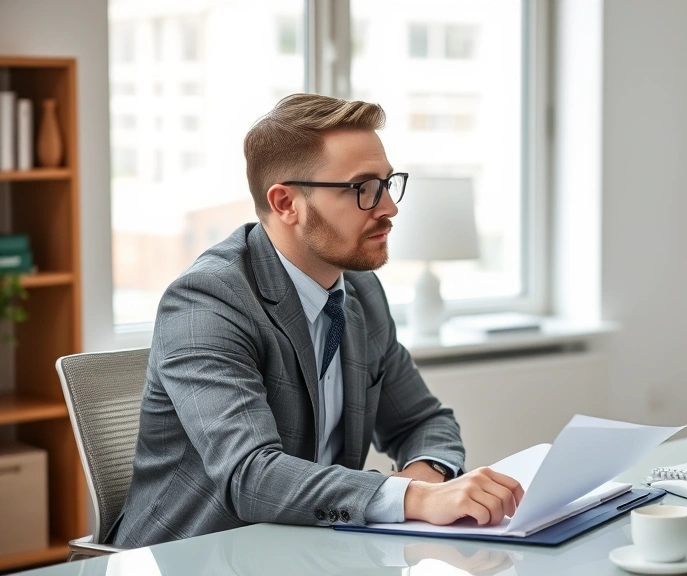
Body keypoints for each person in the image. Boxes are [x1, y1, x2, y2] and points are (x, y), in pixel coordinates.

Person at [112, 94, 524, 548]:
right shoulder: (207, 302)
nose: (389, 207)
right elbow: (251, 476)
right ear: (286, 202)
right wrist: (415, 499)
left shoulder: (360, 293)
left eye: (388, 183)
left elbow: (422, 422)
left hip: (318, 551)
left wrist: (424, 483)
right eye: (363, 188)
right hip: (197, 557)